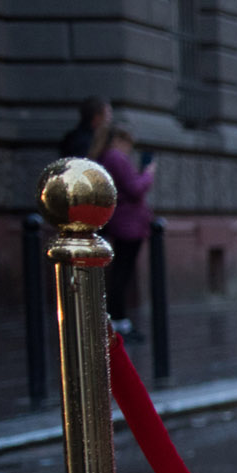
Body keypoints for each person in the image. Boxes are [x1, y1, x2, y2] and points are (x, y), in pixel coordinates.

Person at [96, 124, 154, 340]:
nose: (129, 149)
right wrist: (148, 174)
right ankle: (118, 320)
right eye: (128, 144)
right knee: (122, 272)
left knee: (121, 271)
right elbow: (135, 188)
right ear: (119, 141)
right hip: (127, 224)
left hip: (124, 221)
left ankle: (118, 319)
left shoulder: (107, 158)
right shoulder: (115, 158)